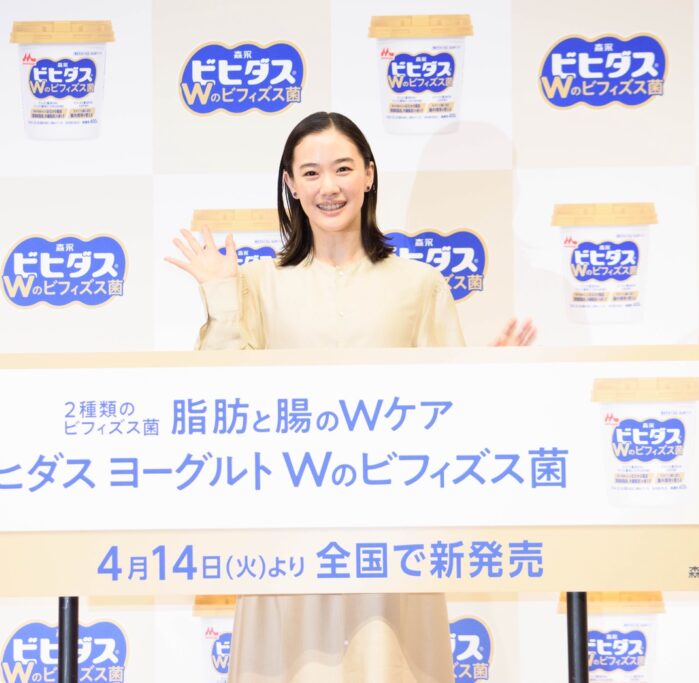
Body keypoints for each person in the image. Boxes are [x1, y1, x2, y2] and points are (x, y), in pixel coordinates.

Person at [166, 111, 534, 682]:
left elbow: (451, 413)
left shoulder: (419, 283)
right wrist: (219, 293)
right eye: (311, 173)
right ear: (290, 185)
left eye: (342, 168)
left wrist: (489, 379)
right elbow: (219, 399)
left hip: (390, 535)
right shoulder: (255, 284)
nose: (328, 186)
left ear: (369, 174)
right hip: (286, 533)